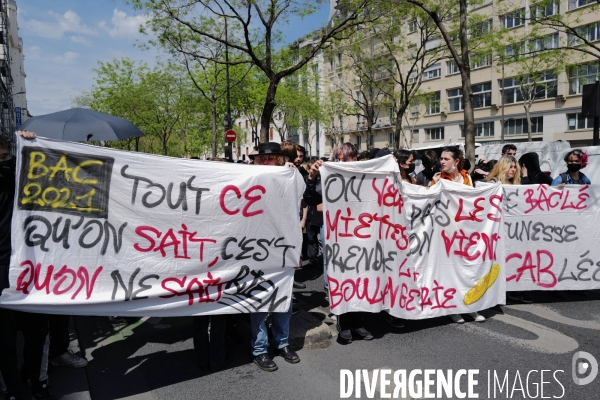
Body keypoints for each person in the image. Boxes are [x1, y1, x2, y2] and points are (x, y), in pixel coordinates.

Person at [0, 131, 57, 400]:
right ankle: (12, 389)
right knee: (4, 340)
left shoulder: (20, 173)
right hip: (1, 274)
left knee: (37, 333)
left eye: (5, 157)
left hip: (31, 267)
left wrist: (30, 142)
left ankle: (38, 382)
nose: (2, 163)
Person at [309, 143, 374, 344]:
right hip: (339, 236)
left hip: (362, 235)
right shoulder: (327, 176)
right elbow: (310, 199)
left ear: (356, 159)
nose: (344, 163)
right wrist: (312, 177)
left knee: (362, 278)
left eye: (348, 158)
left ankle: (359, 322)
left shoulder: (366, 177)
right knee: (343, 278)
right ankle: (344, 324)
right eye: (340, 159)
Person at [249, 142, 301, 372]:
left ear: (279, 159)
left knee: (283, 300)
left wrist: (294, 173)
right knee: (259, 302)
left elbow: (301, 198)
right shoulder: (249, 176)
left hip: (282, 247)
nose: (267, 161)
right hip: (255, 248)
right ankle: (260, 349)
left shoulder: (290, 174)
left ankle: (282, 343)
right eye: (263, 158)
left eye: (271, 158)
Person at [431, 146, 484, 323]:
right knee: (449, 272)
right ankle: (451, 308)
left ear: (456, 161)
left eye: (446, 159)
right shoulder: (438, 179)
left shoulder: (467, 178)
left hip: (466, 233)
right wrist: (435, 186)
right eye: (441, 159)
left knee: (468, 270)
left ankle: (470, 307)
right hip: (446, 235)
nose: (442, 162)